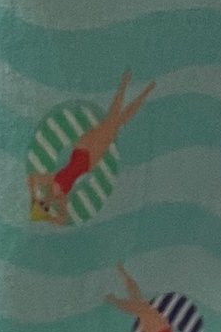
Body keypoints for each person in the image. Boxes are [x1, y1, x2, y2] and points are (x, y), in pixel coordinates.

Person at [28, 69, 154, 225]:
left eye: (42, 204)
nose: (45, 204)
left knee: (112, 122)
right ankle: (141, 92)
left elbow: (31, 178)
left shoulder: (48, 181)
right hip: (89, 162)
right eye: (46, 207)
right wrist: (48, 218)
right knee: (116, 123)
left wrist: (33, 199)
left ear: (40, 200)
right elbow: (63, 219)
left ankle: (127, 86)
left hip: (79, 151)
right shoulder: (61, 199)